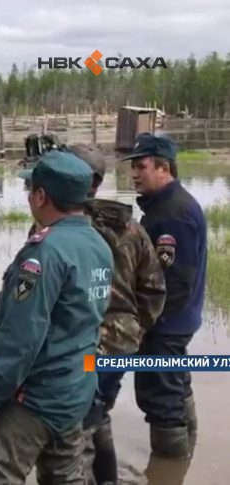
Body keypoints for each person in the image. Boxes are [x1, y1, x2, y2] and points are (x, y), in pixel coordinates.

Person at [0, 151, 114, 485]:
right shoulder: (99, 246)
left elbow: (21, 335)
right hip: (76, 393)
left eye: (30, 188)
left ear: (42, 196)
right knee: (65, 478)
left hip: (35, 398)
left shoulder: (45, 253)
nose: (29, 195)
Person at [64, 144, 166, 485]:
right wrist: (133, 331)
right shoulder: (131, 228)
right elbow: (153, 291)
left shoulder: (58, 228)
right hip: (120, 345)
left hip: (79, 350)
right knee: (98, 415)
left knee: (75, 429)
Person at [118, 132, 206, 460]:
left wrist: (146, 325)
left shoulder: (172, 213)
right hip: (175, 323)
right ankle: (186, 458)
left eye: (141, 166)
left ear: (163, 168)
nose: (134, 174)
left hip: (166, 325)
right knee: (175, 385)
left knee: (160, 395)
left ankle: (169, 468)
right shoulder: (166, 205)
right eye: (133, 167)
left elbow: (176, 283)